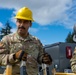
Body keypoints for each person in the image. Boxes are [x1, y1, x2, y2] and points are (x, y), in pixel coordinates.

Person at [0, 7, 52, 75]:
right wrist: (14, 56)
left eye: (25, 22)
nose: (21, 25)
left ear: (30, 24)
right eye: (19, 21)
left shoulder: (36, 41)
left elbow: (40, 57)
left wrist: (44, 59)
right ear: (16, 22)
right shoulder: (7, 40)